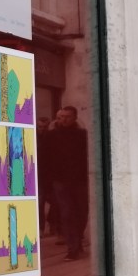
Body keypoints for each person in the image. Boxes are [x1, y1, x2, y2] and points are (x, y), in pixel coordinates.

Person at [48, 106, 88, 260]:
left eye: (67, 117)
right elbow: (45, 159)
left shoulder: (82, 135)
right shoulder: (52, 136)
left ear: (74, 118)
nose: (64, 120)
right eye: (61, 116)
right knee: (67, 213)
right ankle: (73, 248)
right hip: (61, 180)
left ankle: (77, 242)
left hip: (80, 180)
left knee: (82, 212)